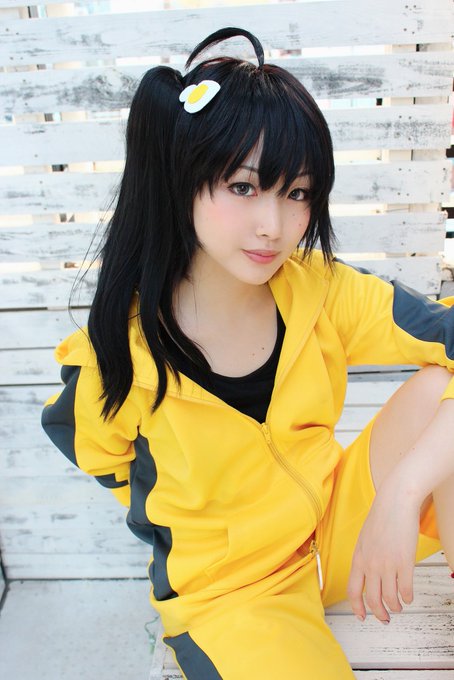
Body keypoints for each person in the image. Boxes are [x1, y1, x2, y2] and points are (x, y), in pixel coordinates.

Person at [41, 27, 454, 679]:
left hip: (337, 530)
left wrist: (401, 493)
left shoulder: (321, 291)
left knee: (439, 391)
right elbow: (93, 447)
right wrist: (198, 526)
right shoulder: (120, 353)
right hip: (235, 598)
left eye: (297, 193)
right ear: (182, 179)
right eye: (243, 187)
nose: (274, 226)